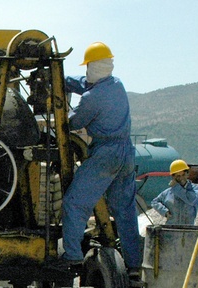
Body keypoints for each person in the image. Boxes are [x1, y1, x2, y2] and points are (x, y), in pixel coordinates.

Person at [61, 42, 141, 270]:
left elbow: (72, 123)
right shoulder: (117, 84)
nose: (86, 71)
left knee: (74, 204)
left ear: (92, 67)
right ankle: (134, 264)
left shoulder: (91, 98)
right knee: (125, 211)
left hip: (106, 154)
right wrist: (63, 79)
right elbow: (84, 83)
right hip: (126, 152)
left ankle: (72, 255)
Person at [151, 160, 198, 226]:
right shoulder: (168, 192)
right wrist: (165, 212)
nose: (181, 178)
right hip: (171, 229)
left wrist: (176, 187)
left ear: (187, 174)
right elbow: (154, 202)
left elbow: (190, 200)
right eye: (178, 176)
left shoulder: (195, 189)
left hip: (188, 229)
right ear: (173, 177)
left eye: (183, 175)